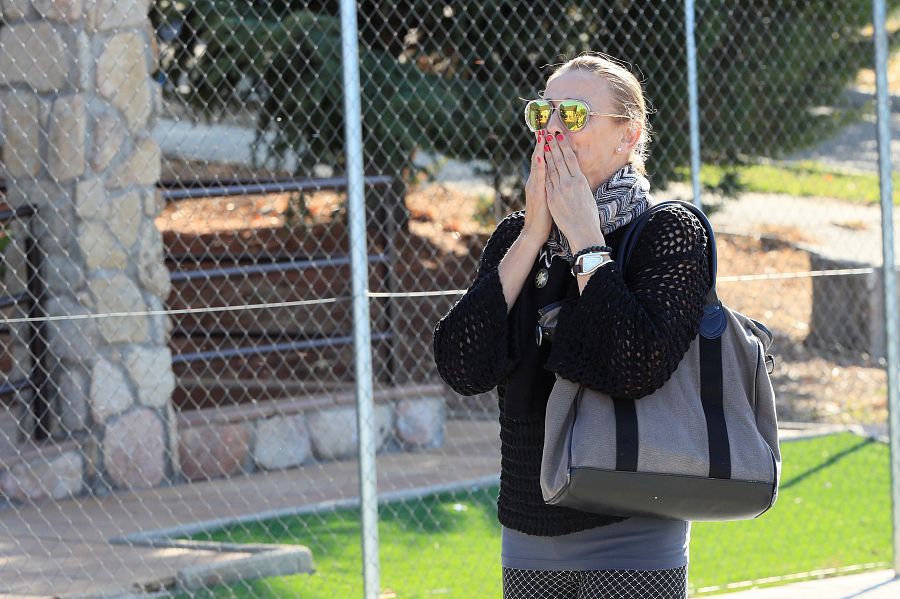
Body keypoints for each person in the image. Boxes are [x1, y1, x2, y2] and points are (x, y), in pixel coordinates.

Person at [432, 52, 710, 599]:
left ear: (626, 137)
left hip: (633, 524)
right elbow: (461, 366)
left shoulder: (669, 232)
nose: (553, 130)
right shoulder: (518, 238)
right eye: (543, 114)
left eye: (575, 116)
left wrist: (586, 242)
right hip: (528, 529)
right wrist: (534, 235)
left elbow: (636, 365)